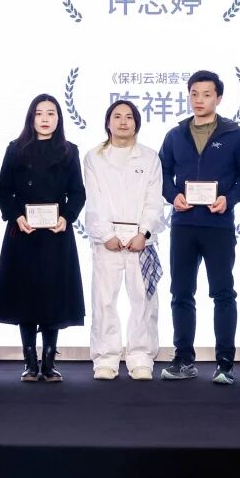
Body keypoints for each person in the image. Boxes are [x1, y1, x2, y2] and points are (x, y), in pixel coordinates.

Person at [159, 70, 240, 384]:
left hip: (218, 226)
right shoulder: (175, 135)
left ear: (218, 98)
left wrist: (229, 199)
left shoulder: (235, 134)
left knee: (222, 292)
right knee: (181, 292)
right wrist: (173, 195)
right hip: (184, 224)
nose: (199, 100)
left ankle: (225, 363)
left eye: (206, 94)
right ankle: (183, 360)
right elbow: (161, 173)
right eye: (194, 94)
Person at [0, 94, 86, 383]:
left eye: (51, 113)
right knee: (25, 295)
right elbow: (2, 190)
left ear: (59, 118)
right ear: (31, 118)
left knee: (53, 296)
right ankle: (30, 362)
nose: (45, 119)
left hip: (56, 234)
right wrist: (16, 216)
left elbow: (78, 192)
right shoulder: (16, 149)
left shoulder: (69, 151)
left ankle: (49, 362)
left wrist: (66, 217)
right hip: (23, 233)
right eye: (39, 113)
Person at [83, 100, 165, 381]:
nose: (122, 122)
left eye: (129, 117)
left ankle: (141, 357)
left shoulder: (150, 157)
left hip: (141, 241)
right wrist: (106, 235)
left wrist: (145, 233)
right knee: (104, 300)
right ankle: (105, 357)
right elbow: (94, 200)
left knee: (143, 300)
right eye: (116, 116)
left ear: (136, 123)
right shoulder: (94, 157)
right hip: (106, 240)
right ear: (108, 123)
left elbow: (154, 201)